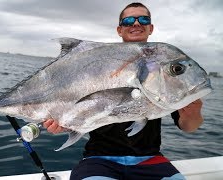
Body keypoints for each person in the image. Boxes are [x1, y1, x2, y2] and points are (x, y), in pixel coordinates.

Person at [43, 2, 204, 180]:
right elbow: (75, 103)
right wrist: (63, 122)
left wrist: (193, 112)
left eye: (143, 19)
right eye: (128, 20)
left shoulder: (162, 67)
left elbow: (189, 127)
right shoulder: (98, 63)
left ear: (150, 28)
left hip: (150, 159)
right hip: (98, 159)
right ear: (120, 30)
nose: (136, 23)